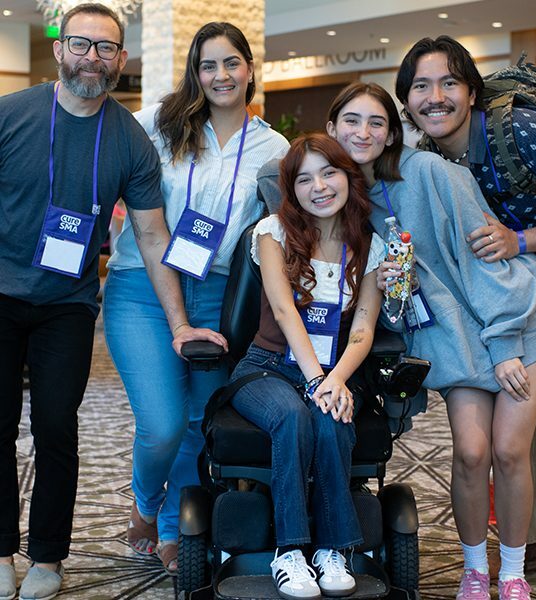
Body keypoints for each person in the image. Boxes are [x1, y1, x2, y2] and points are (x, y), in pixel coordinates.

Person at [325, 82, 536, 600]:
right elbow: (396, 307)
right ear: (331, 129)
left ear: (393, 132)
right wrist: (393, 288)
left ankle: (512, 572)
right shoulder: (345, 203)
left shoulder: (433, 173)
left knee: (508, 450)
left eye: (376, 122)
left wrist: (504, 345)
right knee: (470, 452)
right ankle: (474, 570)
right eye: (351, 121)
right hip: (457, 341)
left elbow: (489, 261)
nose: (362, 132)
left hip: (521, 322)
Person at [0, 4, 214, 599]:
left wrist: (178, 323)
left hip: (67, 304)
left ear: (122, 59)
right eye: (80, 44)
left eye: (106, 48)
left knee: (55, 429)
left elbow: (152, 237)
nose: (91, 57)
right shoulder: (12, 113)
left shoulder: (128, 139)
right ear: (60, 47)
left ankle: (47, 557)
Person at [395, 36, 536, 599]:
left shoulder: (524, 132)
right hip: (511, 292)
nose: (435, 98)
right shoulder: (433, 160)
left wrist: (521, 240)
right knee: (518, 428)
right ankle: (525, 539)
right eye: (420, 87)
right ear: (406, 101)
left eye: (448, 84)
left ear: (471, 91)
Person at [103, 22, 289, 575]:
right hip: (141, 287)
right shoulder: (158, 126)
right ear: (195, 72)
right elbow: (103, 168)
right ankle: (144, 503)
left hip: (215, 291)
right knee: (160, 421)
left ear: (250, 68)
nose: (221, 75)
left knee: (197, 421)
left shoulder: (272, 148)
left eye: (231, 62)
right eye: (208, 65)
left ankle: (167, 526)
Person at [228, 132, 384, 600]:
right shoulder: (273, 232)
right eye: (303, 179)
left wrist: (334, 380)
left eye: (329, 172)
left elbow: (363, 329)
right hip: (268, 366)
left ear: (348, 177)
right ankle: (290, 551)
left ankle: (333, 549)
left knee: (333, 418)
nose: (319, 186)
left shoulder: (371, 247)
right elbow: (283, 311)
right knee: (295, 416)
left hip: (332, 370)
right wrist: (317, 378)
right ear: (290, 189)